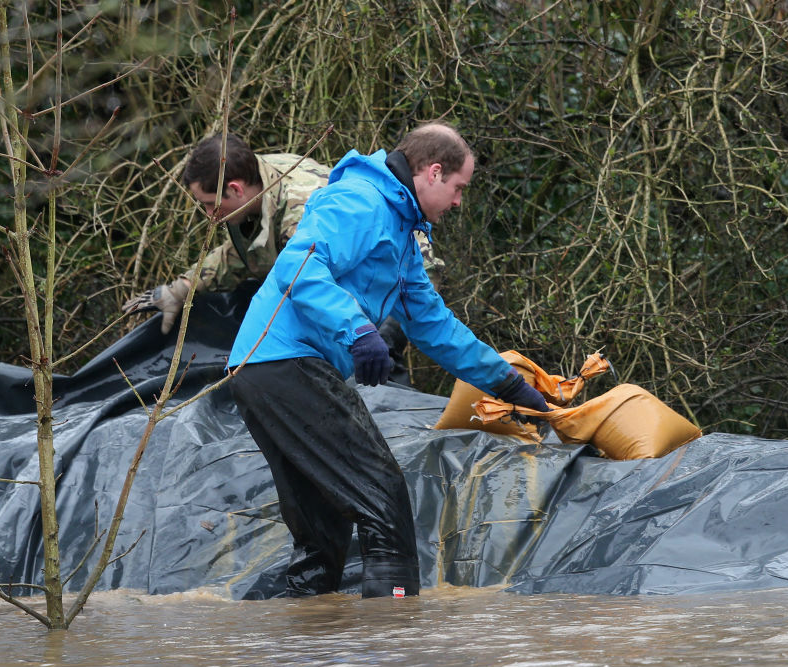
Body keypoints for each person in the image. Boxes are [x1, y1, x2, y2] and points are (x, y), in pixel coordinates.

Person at [225, 122, 550, 599]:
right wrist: (357, 330)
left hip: (264, 369)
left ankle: (303, 636)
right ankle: (394, 638)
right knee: (382, 495)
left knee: (322, 528)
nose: (460, 201)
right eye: (459, 188)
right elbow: (297, 264)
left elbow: (434, 326)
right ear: (434, 173)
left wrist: (508, 385)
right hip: (282, 362)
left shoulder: (401, 232)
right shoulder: (361, 200)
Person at [122, 134, 444, 342]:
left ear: (234, 189)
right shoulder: (255, 183)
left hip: (401, 280)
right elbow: (244, 254)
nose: (209, 215)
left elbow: (312, 284)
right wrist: (179, 290)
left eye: (210, 204)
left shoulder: (300, 207)